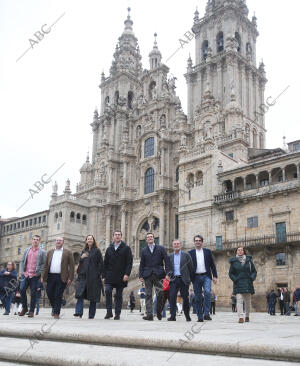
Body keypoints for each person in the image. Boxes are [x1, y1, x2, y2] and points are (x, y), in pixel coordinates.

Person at [139, 232, 170, 321]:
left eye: (151, 237)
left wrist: (168, 273)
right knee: (148, 294)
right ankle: (149, 314)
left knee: (160, 294)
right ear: (146, 240)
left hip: (159, 274)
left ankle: (159, 312)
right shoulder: (144, 250)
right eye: (148, 237)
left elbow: (166, 261)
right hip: (147, 275)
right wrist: (141, 275)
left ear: (154, 238)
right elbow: (142, 264)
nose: (150, 238)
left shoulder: (161, 248)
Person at [103, 230, 133, 320]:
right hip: (109, 275)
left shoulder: (126, 248)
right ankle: (109, 312)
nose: (117, 236)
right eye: (115, 235)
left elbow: (129, 262)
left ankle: (117, 313)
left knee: (119, 295)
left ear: (121, 236)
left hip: (121, 275)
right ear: (113, 236)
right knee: (107, 291)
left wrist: (127, 274)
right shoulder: (109, 248)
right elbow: (105, 263)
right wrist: (103, 276)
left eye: (119, 235)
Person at [42, 237, 75, 319]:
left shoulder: (68, 252)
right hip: (50, 276)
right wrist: (43, 276)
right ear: (55, 242)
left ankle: (56, 312)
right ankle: (54, 307)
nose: (58, 242)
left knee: (58, 294)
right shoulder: (50, 252)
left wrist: (70, 278)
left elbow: (72, 266)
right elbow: (46, 265)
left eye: (60, 240)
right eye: (57, 240)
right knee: (49, 292)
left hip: (62, 277)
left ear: (63, 242)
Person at [189, 235, 218, 322]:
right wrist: (188, 279)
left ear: (202, 242)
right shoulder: (190, 253)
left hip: (207, 276)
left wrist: (215, 276)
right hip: (195, 277)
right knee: (197, 297)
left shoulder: (207, 252)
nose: (197, 242)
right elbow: (188, 267)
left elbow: (212, 265)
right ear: (194, 242)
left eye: (199, 240)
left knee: (207, 292)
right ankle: (200, 316)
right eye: (196, 241)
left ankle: (206, 314)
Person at [74, 235, 103, 319]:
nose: (89, 240)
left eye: (91, 239)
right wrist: (81, 258)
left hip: (93, 277)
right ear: (86, 241)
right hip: (83, 276)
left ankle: (91, 315)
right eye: (88, 239)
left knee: (93, 297)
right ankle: (78, 312)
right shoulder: (83, 251)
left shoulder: (97, 251)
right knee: (80, 294)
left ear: (93, 241)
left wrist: (98, 274)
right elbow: (80, 264)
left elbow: (101, 264)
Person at [19, 235, 46, 317]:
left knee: (33, 293)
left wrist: (39, 273)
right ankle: (24, 308)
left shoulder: (42, 252)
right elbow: (22, 261)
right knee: (21, 289)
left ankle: (31, 311)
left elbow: (43, 264)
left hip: (34, 275)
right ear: (32, 240)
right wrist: (22, 272)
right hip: (26, 274)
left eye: (37, 240)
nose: (35, 241)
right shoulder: (27, 250)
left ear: (39, 241)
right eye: (34, 239)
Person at [167, 239, 194, 322]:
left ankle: (187, 315)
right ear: (172, 246)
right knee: (172, 297)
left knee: (185, 298)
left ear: (180, 245)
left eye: (178, 244)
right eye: (174, 244)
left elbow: (191, 268)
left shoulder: (186, 255)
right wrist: (167, 275)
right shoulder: (170, 256)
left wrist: (190, 279)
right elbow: (167, 267)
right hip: (173, 280)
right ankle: (173, 316)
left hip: (184, 279)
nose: (176, 245)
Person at [229, 246, 257, 323]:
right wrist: (235, 279)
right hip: (238, 283)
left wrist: (251, 278)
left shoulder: (249, 260)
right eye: (238, 250)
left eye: (241, 250)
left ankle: (247, 316)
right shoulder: (233, 262)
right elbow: (230, 273)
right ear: (236, 252)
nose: (240, 251)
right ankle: (241, 317)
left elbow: (254, 271)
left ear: (244, 251)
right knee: (239, 300)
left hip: (247, 283)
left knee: (247, 302)